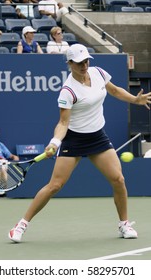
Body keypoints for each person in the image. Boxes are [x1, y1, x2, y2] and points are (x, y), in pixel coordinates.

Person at [8, 43, 151, 243]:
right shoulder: (68, 91)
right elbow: (63, 122)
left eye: (86, 61)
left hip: (97, 136)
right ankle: (21, 225)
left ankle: (124, 224)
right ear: (69, 64)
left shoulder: (98, 72)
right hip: (74, 139)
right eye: (78, 63)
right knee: (55, 185)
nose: (84, 65)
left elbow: (115, 90)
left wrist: (134, 100)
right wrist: (55, 142)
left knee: (118, 179)